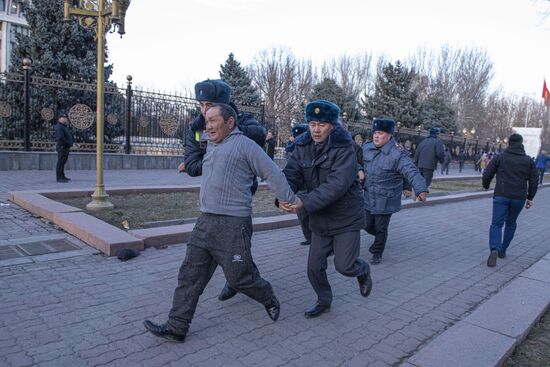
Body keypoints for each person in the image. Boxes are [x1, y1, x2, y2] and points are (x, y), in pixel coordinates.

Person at [143, 104, 301, 343]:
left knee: (239, 277)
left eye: (213, 120)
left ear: (230, 123)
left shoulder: (246, 146)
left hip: (233, 225)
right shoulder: (213, 147)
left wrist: (289, 199)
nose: (208, 126)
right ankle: (177, 326)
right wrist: (188, 164)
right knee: (189, 275)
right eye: (206, 121)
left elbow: (272, 173)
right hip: (205, 222)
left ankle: (267, 295)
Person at [281, 100, 372, 319]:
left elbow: (337, 185)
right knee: (314, 267)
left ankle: (363, 271)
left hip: (345, 217)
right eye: (312, 123)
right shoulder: (302, 146)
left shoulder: (345, 148)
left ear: (332, 125)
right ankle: (324, 300)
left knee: (344, 266)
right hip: (320, 219)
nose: (316, 129)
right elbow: (291, 174)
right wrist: (282, 197)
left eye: (321, 124)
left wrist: (304, 202)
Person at [178, 79, 266, 302]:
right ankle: (240, 277)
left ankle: (240, 279)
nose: (205, 111)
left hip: (240, 192)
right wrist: (215, 160)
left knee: (233, 239)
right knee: (229, 243)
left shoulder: (245, 122)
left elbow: (259, 135)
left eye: (209, 105)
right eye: (201, 105)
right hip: (214, 194)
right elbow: (191, 164)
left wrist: (231, 131)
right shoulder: (197, 129)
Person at [363, 118, 429, 265]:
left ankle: (377, 252)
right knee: (366, 224)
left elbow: (410, 171)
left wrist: (420, 189)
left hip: (386, 198)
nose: (376, 136)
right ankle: (380, 239)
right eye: (374, 132)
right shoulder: (366, 148)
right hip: (368, 196)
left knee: (380, 228)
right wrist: (359, 171)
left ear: (389, 135)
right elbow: (355, 162)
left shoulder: (398, 154)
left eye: (380, 133)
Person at [482, 133, 538, 267]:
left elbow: (488, 173)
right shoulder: (528, 160)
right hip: (519, 197)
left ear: (509, 143)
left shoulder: (500, 157)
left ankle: (494, 249)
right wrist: (530, 197)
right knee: (511, 223)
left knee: (496, 224)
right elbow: (534, 180)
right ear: (521, 143)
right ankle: (502, 250)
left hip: (501, 194)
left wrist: (486, 185)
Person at [285, 123, 311, 246]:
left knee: (315, 217)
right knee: (302, 216)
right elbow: (291, 172)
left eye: (299, 135)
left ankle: (321, 241)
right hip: (300, 189)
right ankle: (309, 237)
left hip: (311, 189)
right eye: (295, 136)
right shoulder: (292, 149)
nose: (296, 138)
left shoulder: (310, 149)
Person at [55, 113, 73, 183]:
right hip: (62, 147)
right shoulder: (59, 127)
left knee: (62, 162)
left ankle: (62, 176)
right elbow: (60, 138)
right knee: (60, 162)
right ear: (59, 119)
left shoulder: (63, 126)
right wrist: (68, 143)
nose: (65, 119)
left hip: (65, 147)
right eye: (63, 117)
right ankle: (59, 177)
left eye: (65, 117)